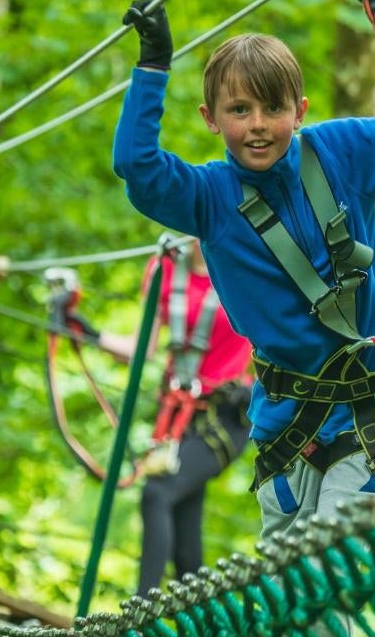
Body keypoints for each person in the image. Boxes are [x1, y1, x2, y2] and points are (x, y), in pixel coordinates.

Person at [111, 0, 375, 637]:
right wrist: (152, 67)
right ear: (211, 119)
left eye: (272, 109)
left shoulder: (341, 152)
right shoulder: (206, 197)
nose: (257, 126)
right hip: (284, 425)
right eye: (239, 111)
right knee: (282, 590)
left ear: (301, 109)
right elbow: (139, 171)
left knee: (321, 578)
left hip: (369, 414)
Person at [61, 240, 253, 598]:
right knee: (184, 541)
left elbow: (277, 338)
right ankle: (201, 627)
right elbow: (141, 349)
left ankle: (141, 611)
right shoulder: (164, 269)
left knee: (157, 492)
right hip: (179, 418)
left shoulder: (248, 265)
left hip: (226, 418)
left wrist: (258, 387)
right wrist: (85, 331)